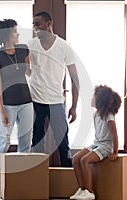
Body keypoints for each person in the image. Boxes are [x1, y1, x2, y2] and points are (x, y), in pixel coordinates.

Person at [0, 19, 33, 198]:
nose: (18, 34)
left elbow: (28, 72)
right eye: (14, 32)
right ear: (6, 35)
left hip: (26, 102)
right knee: (3, 144)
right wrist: (2, 111)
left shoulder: (23, 49)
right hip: (8, 105)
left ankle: (22, 181)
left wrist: (31, 67)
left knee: (25, 143)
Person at [28, 11, 79, 167]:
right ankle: (38, 183)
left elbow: (74, 78)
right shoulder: (31, 45)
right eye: (33, 24)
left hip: (56, 102)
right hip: (35, 100)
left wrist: (74, 106)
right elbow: (25, 69)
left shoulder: (64, 47)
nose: (35, 28)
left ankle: (67, 183)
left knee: (63, 143)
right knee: (37, 143)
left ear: (48, 24)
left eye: (38, 24)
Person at [70, 85, 122, 200]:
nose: (91, 98)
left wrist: (115, 152)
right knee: (75, 159)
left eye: (93, 96)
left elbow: (114, 134)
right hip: (97, 144)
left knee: (85, 160)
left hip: (106, 146)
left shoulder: (108, 115)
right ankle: (82, 189)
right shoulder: (95, 114)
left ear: (99, 99)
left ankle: (89, 192)